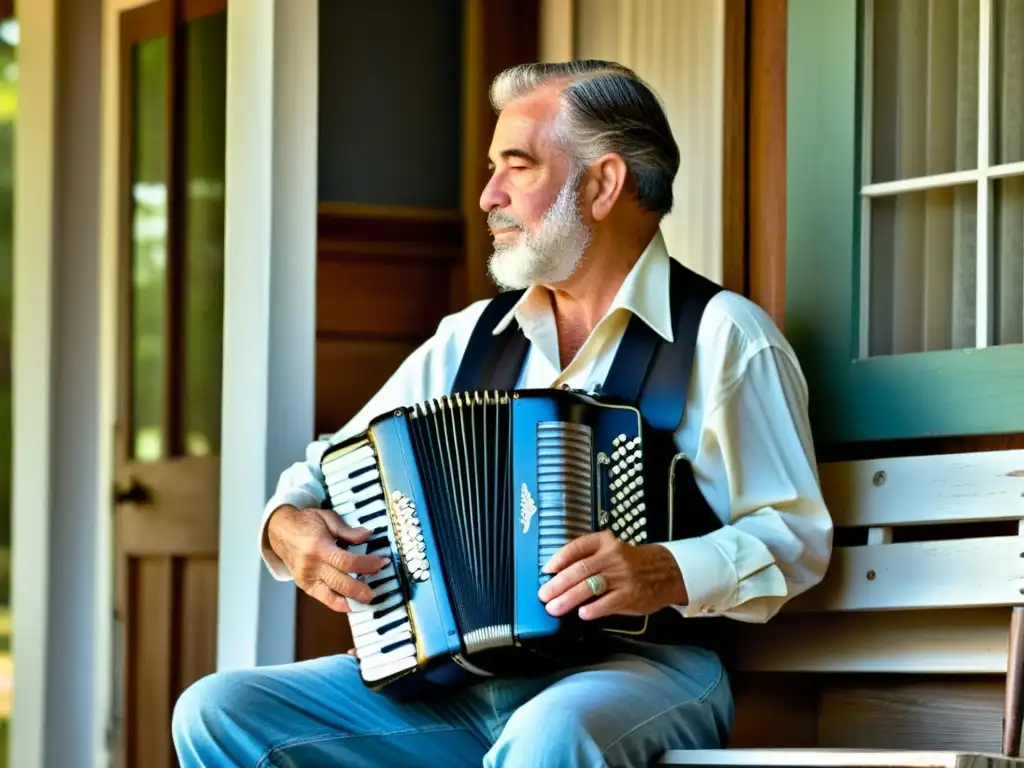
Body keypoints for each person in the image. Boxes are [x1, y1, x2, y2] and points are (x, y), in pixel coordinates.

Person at [172, 59, 832, 768]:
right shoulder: (468, 338)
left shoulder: (725, 337)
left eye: (516, 167)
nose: (489, 195)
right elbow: (321, 469)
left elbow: (793, 536)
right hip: (456, 687)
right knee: (217, 712)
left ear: (603, 184)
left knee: (550, 736)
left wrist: (664, 570)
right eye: (492, 169)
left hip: (645, 672)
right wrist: (286, 527)